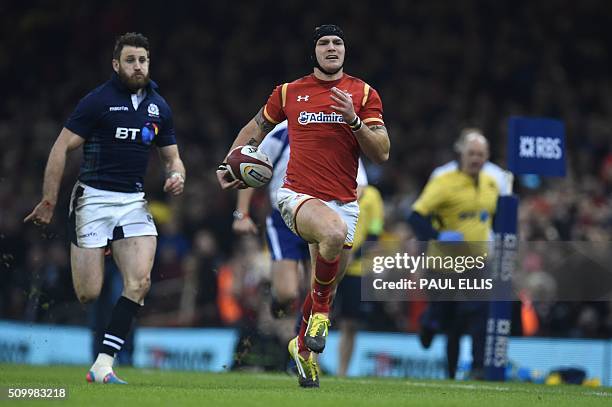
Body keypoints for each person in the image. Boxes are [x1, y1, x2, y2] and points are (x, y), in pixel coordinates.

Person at [217, 24, 389, 387]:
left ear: (345, 51)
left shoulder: (363, 93)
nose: (332, 48)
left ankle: (302, 347)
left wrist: (355, 121)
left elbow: (382, 152)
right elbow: (255, 128)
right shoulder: (289, 93)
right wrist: (227, 162)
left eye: (338, 43)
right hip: (296, 196)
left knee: (326, 279)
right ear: (314, 52)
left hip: (344, 202)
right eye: (324, 43)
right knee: (332, 234)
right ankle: (320, 318)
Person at [24, 32, 185, 384]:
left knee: (139, 282)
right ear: (116, 64)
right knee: (89, 293)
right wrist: (49, 200)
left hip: (133, 202)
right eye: (130, 60)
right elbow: (60, 147)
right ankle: (99, 247)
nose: (138, 66)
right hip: (92, 199)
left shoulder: (159, 106)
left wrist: (176, 176)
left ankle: (103, 364)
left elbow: (173, 158)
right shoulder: (98, 102)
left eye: (143, 60)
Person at [407, 128, 498, 379]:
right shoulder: (443, 183)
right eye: (471, 153)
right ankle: (428, 324)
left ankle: (478, 369)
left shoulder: (492, 184)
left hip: (479, 262)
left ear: (487, 156)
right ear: (461, 154)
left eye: (480, 154)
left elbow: (496, 219)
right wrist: (437, 237)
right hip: (443, 264)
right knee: (448, 320)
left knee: (478, 313)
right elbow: (415, 216)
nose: (476, 158)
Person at [336, 183, 384, 377]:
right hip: (329, 262)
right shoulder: (333, 187)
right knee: (319, 315)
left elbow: (375, 232)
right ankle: (314, 364)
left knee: (350, 323)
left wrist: (352, 255)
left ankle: (342, 372)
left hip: (356, 269)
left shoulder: (373, 196)